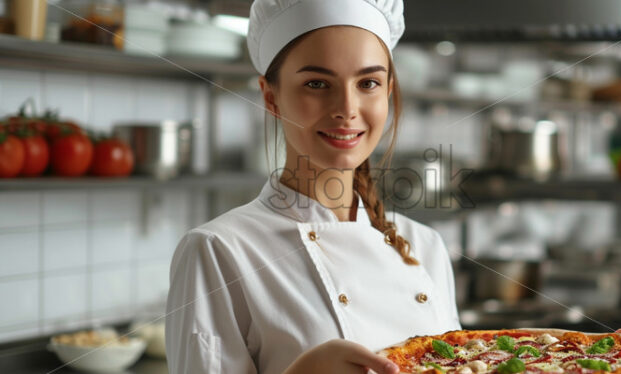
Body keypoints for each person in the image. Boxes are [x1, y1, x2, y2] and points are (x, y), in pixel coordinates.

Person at [164, 1, 461, 373]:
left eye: (368, 83)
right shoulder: (219, 252)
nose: (347, 108)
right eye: (317, 83)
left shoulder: (425, 245)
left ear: (387, 91)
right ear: (272, 97)